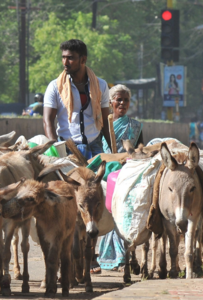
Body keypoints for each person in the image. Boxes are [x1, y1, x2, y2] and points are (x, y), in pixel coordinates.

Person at [97, 84, 143, 272]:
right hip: (106, 173)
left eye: (126, 100)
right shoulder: (101, 125)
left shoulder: (135, 126)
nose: (122, 103)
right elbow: (98, 151)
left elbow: (141, 149)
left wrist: (131, 159)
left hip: (127, 173)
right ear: (111, 102)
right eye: (119, 99)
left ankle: (126, 255)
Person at [43, 39, 112, 159]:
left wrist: (113, 150)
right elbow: (48, 120)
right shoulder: (55, 87)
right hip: (67, 148)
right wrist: (56, 149)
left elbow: (105, 121)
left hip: (94, 146)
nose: (65, 62)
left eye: (70, 58)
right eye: (63, 57)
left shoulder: (100, 85)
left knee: (102, 177)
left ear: (83, 59)